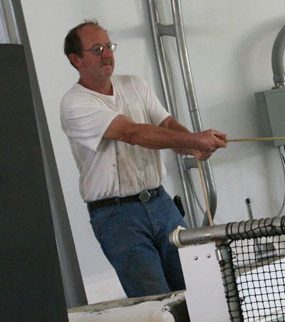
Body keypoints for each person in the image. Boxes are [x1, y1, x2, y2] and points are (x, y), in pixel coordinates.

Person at [60, 20, 226, 298]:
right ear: (76, 59)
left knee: (197, 288)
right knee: (157, 300)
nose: (107, 54)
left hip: (161, 203)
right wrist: (195, 140)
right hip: (117, 216)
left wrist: (192, 144)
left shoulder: (134, 84)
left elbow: (166, 124)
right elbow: (132, 133)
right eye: (97, 49)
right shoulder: (75, 103)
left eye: (109, 46)